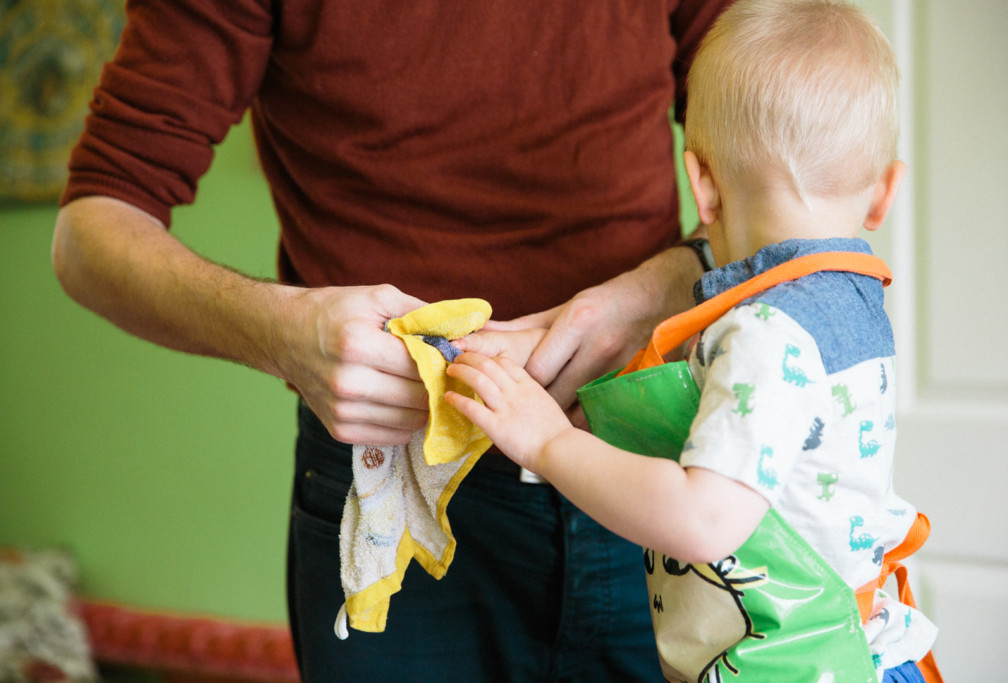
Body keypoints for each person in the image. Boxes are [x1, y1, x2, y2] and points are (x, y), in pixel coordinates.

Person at [51, 1, 737, 680]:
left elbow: (792, 165)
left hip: (653, 462)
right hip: (384, 485)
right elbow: (88, 236)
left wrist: (666, 288)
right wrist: (282, 330)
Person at [446, 1, 940, 681]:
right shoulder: (855, 300)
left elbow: (706, 520)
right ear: (885, 192)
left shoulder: (766, 330)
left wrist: (547, 442)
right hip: (863, 652)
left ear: (701, 185)